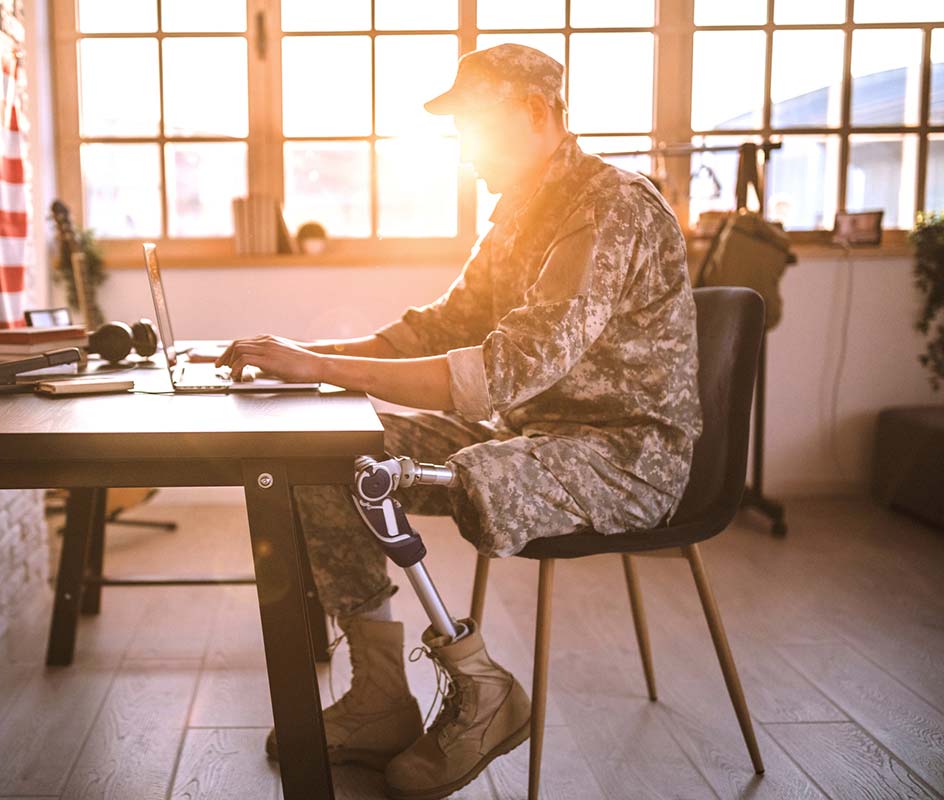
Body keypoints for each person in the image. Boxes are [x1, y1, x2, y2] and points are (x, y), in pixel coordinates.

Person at [217, 44, 702, 800]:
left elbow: (502, 371)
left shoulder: (609, 208)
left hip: (625, 457)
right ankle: (381, 697)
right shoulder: (518, 211)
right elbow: (439, 328)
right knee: (325, 455)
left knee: (480, 470)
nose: (463, 148)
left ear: (537, 116)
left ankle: (484, 688)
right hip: (529, 434)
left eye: (474, 126)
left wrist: (320, 367)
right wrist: (302, 356)